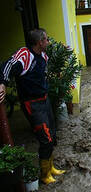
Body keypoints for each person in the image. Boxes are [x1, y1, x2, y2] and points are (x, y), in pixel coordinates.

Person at [0, 28, 65, 184]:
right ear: (39, 42)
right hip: (32, 104)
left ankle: (51, 167)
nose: (48, 42)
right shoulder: (24, 55)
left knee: (52, 135)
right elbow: (6, 66)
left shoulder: (43, 56)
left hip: (45, 100)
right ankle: (44, 175)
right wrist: (2, 84)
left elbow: (42, 73)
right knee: (45, 139)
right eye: (46, 40)